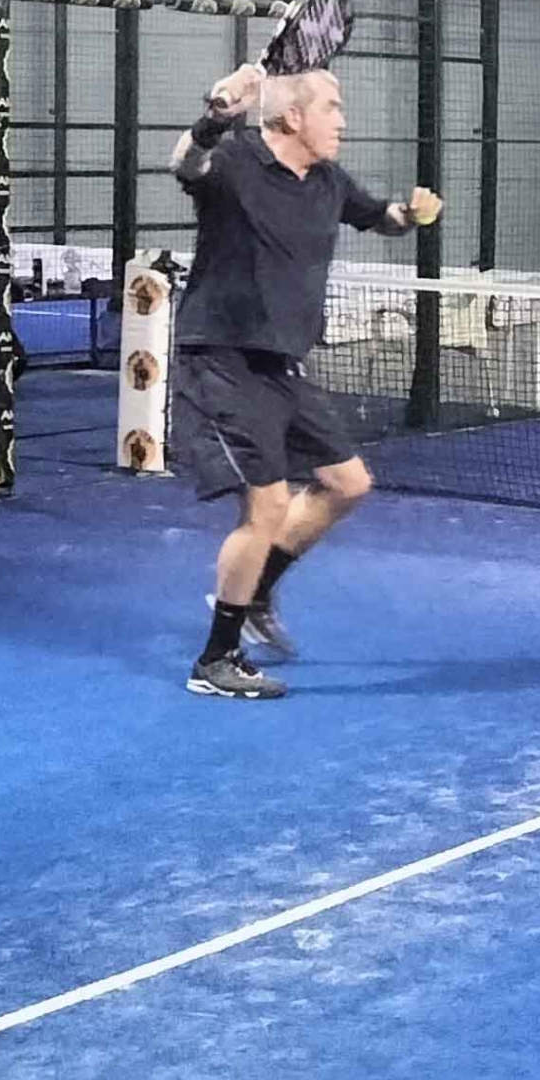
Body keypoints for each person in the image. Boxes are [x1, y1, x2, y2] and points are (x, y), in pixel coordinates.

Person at [170, 63, 441, 699]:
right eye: (331, 107)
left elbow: (379, 217)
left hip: (283, 365)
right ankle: (215, 660)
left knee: (348, 483)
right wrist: (215, 117)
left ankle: (256, 589)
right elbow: (185, 164)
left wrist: (411, 213)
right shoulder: (236, 161)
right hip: (223, 359)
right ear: (293, 116)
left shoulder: (327, 181)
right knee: (265, 505)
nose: (342, 120)